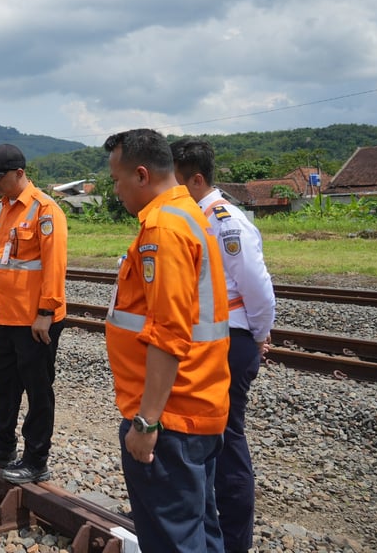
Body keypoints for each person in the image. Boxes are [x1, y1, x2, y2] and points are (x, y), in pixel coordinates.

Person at [103, 128, 231, 553]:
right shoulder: (191, 214)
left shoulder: (163, 228)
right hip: (199, 402)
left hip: (172, 416)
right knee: (201, 529)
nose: (115, 190)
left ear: (141, 175)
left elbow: (169, 331)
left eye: (117, 180)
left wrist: (146, 422)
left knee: (172, 538)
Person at [172, 139, 276, 553]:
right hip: (208, 341)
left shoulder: (224, 220)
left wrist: (260, 334)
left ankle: (234, 541)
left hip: (230, 341)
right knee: (205, 439)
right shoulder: (192, 218)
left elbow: (257, 287)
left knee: (227, 441)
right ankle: (206, 527)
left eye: (176, 181)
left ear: (197, 179)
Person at [0, 144, 68, 484]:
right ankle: (2, 445)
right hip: (7, 315)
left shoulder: (45, 211)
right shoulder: (0, 209)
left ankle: (36, 458)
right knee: (4, 384)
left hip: (35, 320)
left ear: (20, 174)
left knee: (38, 390)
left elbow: (54, 267)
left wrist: (45, 312)